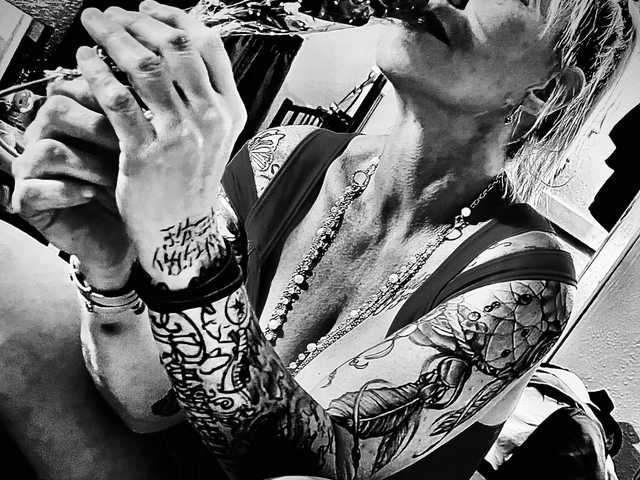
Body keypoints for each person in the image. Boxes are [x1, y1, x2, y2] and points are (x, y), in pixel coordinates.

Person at [5, 0, 634, 479]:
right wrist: (113, 269)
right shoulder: (283, 154)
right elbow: (148, 404)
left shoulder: (530, 280)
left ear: (548, 89)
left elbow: (299, 464)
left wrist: (184, 237)